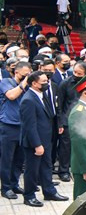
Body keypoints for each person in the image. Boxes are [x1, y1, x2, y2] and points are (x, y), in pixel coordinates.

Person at [20, 72, 69, 206]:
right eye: (43, 82)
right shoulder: (28, 100)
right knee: (32, 170)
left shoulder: (42, 95)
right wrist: (37, 145)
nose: (46, 84)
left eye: (47, 81)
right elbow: (29, 126)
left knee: (46, 166)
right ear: (34, 84)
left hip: (47, 139)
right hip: (35, 143)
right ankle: (29, 195)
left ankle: (49, 191)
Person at [0, 61, 31, 199]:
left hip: (23, 126)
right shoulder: (6, 82)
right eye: (25, 73)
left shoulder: (29, 86)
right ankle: (5, 188)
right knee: (7, 159)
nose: (28, 76)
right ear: (17, 72)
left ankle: (14, 183)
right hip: (8, 126)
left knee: (20, 159)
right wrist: (24, 83)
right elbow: (11, 96)